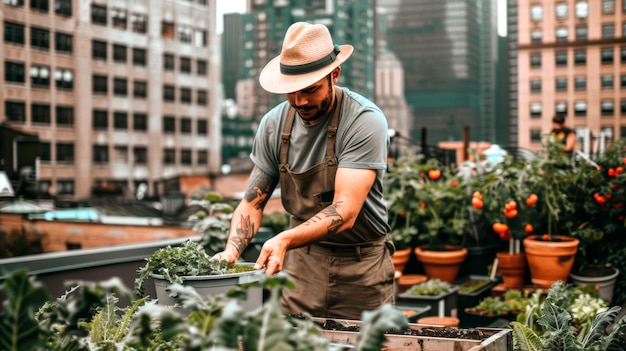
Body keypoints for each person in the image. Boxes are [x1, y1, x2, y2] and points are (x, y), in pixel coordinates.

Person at [212, 22, 395, 320]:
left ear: (334, 75)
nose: (300, 102)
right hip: (301, 269)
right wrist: (233, 248)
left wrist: (284, 239)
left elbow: (345, 212)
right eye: (291, 92)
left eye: (310, 90)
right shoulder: (273, 125)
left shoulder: (364, 120)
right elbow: (252, 202)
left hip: (363, 269)